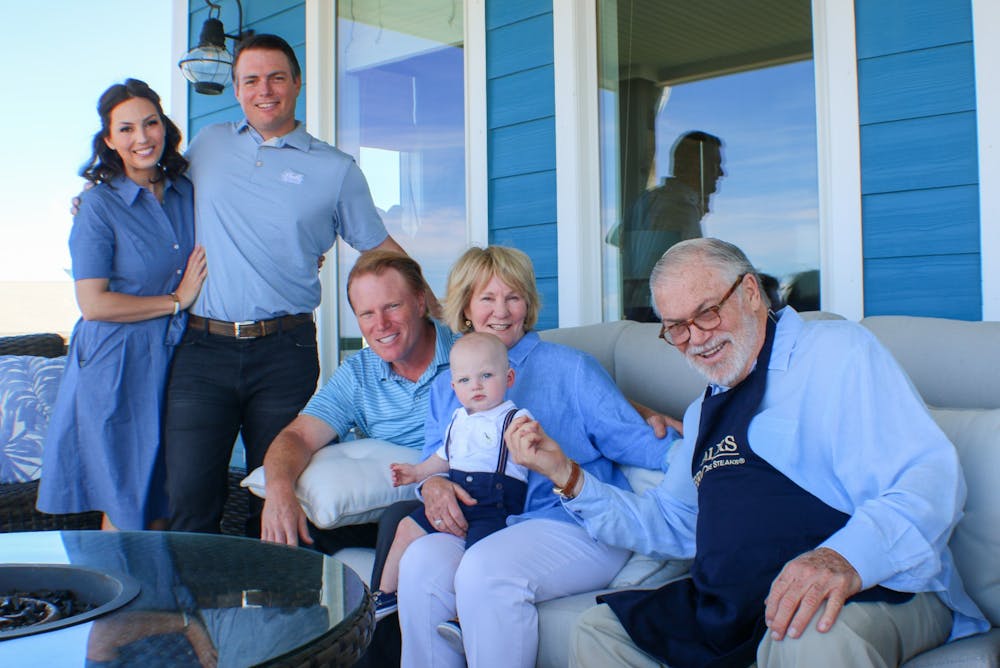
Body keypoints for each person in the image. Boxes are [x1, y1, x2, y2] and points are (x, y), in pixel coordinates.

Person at [507, 238, 989, 667]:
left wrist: (840, 558)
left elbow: (927, 477)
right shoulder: (702, 412)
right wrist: (565, 473)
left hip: (873, 584)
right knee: (601, 632)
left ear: (751, 293)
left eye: (706, 313)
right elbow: (673, 522)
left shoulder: (836, 354)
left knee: (804, 634)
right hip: (734, 603)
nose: (695, 338)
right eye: (676, 327)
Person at [164, 33, 420, 536]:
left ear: (297, 84)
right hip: (201, 349)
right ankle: (190, 615)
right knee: (190, 499)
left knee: (281, 500)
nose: (265, 90)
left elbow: (378, 247)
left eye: (277, 77)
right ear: (236, 89)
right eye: (251, 79)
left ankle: (278, 611)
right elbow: (152, 190)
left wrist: (441, 303)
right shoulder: (207, 145)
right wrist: (98, 194)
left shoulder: (335, 170)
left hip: (284, 351)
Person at [396, 245, 679, 667]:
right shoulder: (448, 386)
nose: (502, 311)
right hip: (486, 524)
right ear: (467, 309)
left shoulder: (571, 369)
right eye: (487, 298)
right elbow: (433, 461)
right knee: (420, 561)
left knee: (485, 569)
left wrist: (696, 442)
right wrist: (431, 483)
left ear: (527, 304)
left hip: (576, 524)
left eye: (513, 297)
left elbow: (641, 444)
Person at [37, 79, 207, 531]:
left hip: (177, 358)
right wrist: (175, 301)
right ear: (110, 140)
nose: (142, 138)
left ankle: (159, 599)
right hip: (117, 361)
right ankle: (126, 602)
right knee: (127, 497)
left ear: (165, 128)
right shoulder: (97, 206)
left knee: (166, 496)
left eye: (150, 124)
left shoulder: (187, 193)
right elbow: (92, 303)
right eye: (127, 129)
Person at [259, 250, 457, 549]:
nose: (381, 324)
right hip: (393, 505)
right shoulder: (358, 374)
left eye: (392, 306)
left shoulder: (468, 353)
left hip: (464, 499)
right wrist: (279, 491)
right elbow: (297, 436)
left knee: (398, 522)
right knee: (305, 529)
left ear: (419, 302)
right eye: (367, 313)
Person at [372, 332, 532, 620]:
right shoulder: (457, 420)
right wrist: (416, 473)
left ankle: (462, 620)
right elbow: (442, 460)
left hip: (495, 504)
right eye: (466, 380)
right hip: (456, 497)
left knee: (476, 562)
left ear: (508, 378)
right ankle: (385, 594)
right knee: (406, 527)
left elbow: (531, 450)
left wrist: (530, 442)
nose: (477, 386)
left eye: (486, 375)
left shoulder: (514, 418)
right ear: (454, 387)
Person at [619, 131, 723, 322]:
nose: (721, 173)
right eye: (714, 164)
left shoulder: (651, 200)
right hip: (661, 318)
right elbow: (684, 278)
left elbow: (616, 239)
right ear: (692, 165)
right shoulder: (676, 208)